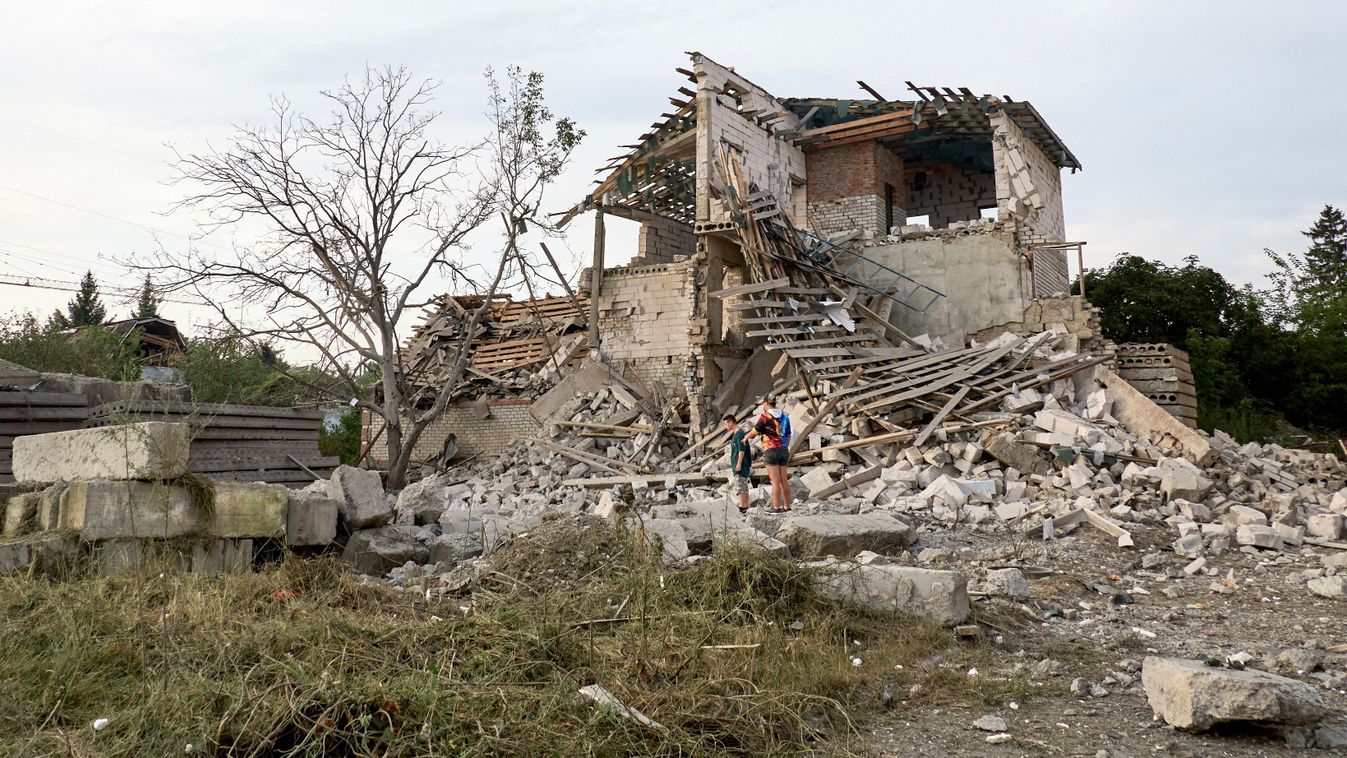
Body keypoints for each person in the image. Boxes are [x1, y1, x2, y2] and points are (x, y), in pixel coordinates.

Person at [748, 397, 792, 512]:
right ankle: (787, 506)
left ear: (766, 403)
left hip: (771, 450)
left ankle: (776, 508)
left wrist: (745, 437)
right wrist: (785, 447)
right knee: (784, 480)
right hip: (783, 449)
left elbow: (755, 430)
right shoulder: (784, 415)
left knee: (775, 481)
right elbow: (788, 434)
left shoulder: (765, 416)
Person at [724, 413, 752, 513]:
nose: (725, 426)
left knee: (741, 486)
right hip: (738, 465)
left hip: (741, 465)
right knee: (741, 485)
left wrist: (739, 463)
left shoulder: (739, 433)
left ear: (731, 422)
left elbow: (741, 449)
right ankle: (744, 507)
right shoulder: (736, 434)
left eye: (726, 424)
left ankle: (743, 507)